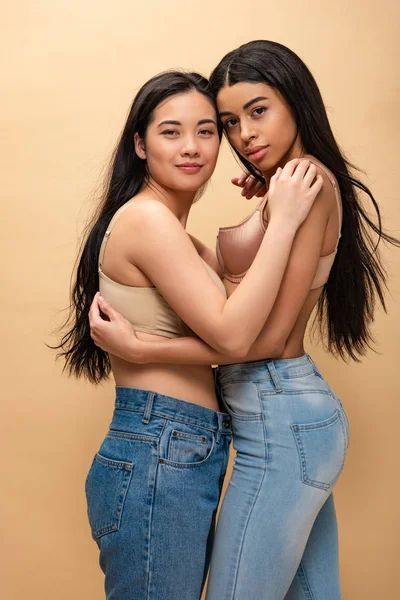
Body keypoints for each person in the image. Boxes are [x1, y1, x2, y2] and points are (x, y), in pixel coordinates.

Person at [89, 41, 400, 600]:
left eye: (256, 112)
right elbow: (234, 307)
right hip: (264, 417)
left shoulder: (301, 182)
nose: (242, 136)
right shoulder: (285, 187)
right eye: (230, 122)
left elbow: (256, 336)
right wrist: (265, 216)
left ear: (295, 102)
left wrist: (143, 348)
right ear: (140, 144)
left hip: (275, 413)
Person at [56, 69, 320, 600]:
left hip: (177, 446)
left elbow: (238, 286)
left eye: (206, 131)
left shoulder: (171, 231)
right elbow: (233, 334)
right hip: (159, 446)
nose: (192, 147)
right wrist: (286, 223)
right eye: (171, 132)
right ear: (139, 143)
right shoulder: (148, 221)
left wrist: (269, 201)